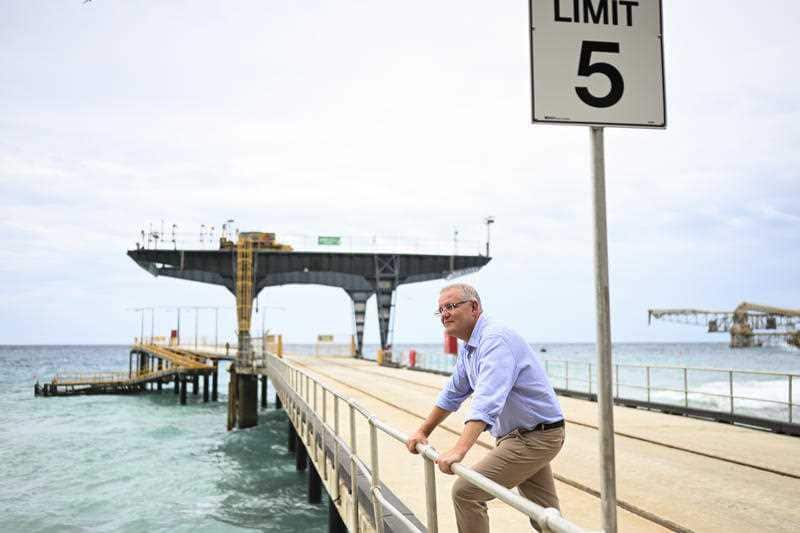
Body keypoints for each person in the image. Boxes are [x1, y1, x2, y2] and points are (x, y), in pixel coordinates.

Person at [405, 283, 565, 533]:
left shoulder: (495, 339)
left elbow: (487, 400)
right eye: (440, 310)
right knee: (545, 515)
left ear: (474, 307)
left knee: (466, 492)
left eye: (450, 306)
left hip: (535, 437)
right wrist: (423, 431)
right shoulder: (470, 347)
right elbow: (453, 392)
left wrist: (460, 449)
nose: (444, 314)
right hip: (519, 436)